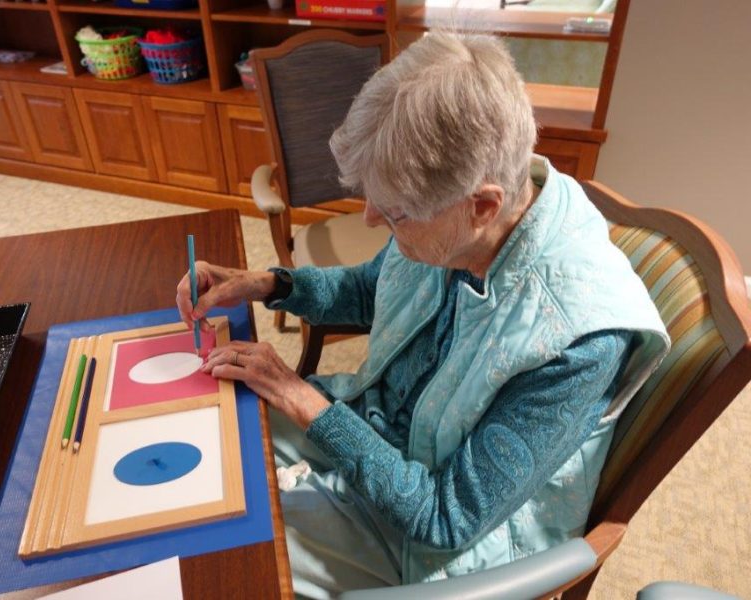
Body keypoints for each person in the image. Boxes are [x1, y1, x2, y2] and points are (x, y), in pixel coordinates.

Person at [176, 32, 670, 598]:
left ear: (482, 205)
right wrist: (266, 284)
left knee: (224, 565)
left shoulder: (580, 340)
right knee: (209, 461)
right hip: (379, 436)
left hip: (439, 549)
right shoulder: (469, 207)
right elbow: (371, 291)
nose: (368, 219)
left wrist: (301, 399)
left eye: (395, 213)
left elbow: (445, 518)